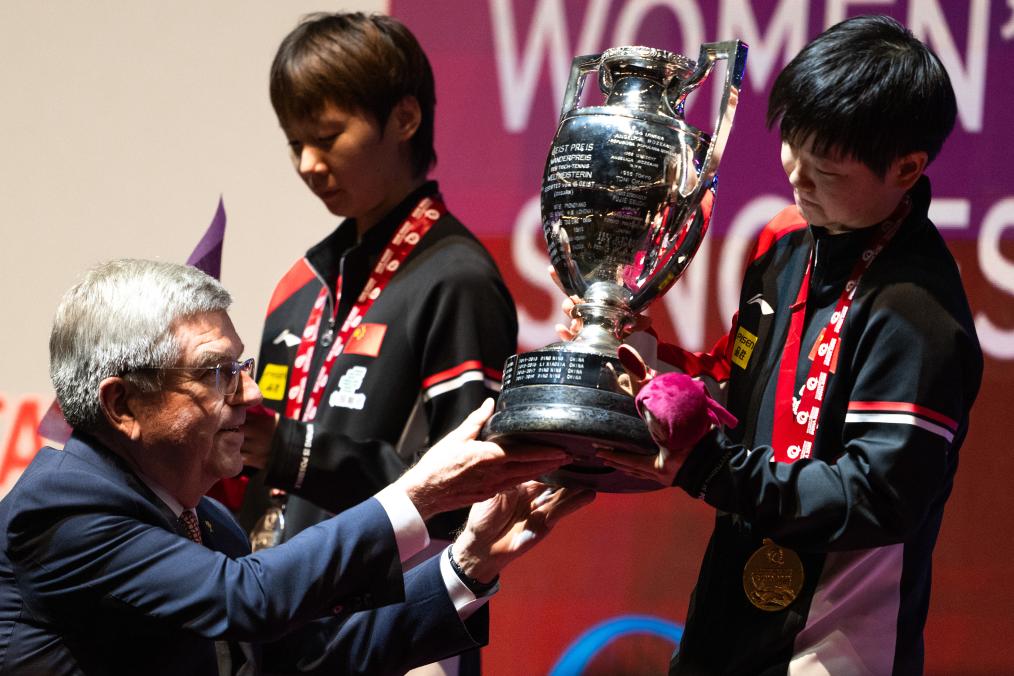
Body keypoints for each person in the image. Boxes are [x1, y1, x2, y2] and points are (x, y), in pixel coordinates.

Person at [566, 15, 982, 675]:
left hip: (836, 644)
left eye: (826, 168)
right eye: (792, 145)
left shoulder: (917, 312)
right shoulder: (786, 241)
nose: (796, 176)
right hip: (725, 618)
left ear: (907, 167)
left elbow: (878, 496)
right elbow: (737, 384)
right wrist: (640, 360)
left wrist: (710, 468)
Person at [0, 259, 591, 675]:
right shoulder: (62, 507)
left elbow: (312, 655)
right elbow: (245, 600)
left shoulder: (209, 524)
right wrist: (418, 494)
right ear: (122, 405)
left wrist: (471, 561)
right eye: (216, 373)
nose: (252, 394)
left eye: (243, 367)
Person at [236, 9, 517, 570]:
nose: (308, 165)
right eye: (295, 143)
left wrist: (294, 451)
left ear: (405, 118)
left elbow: (468, 493)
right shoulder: (300, 286)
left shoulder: (458, 280)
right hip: (272, 598)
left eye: (327, 137)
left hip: (399, 613)